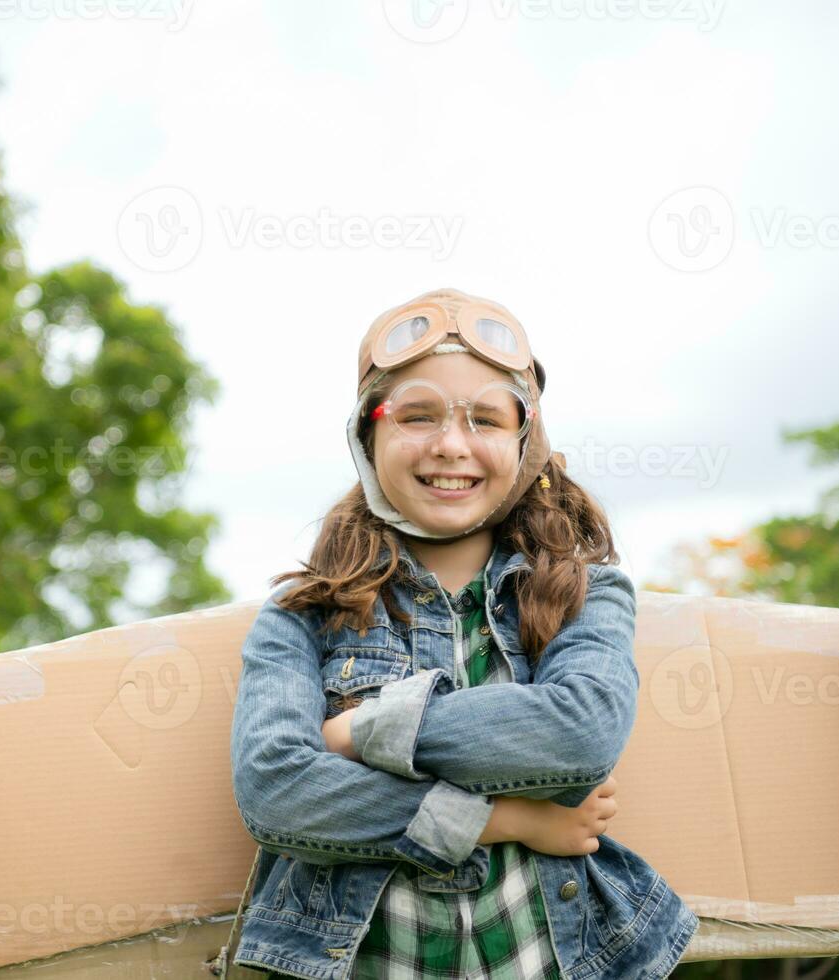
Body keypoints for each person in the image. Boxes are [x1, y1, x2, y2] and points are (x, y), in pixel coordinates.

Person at [227, 288, 698, 979]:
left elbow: (580, 731)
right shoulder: (301, 616)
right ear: (368, 435)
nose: (451, 445)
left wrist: (360, 734)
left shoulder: (584, 594)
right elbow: (276, 790)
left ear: (524, 437)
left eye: (485, 418)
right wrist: (508, 818)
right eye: (417, 415)